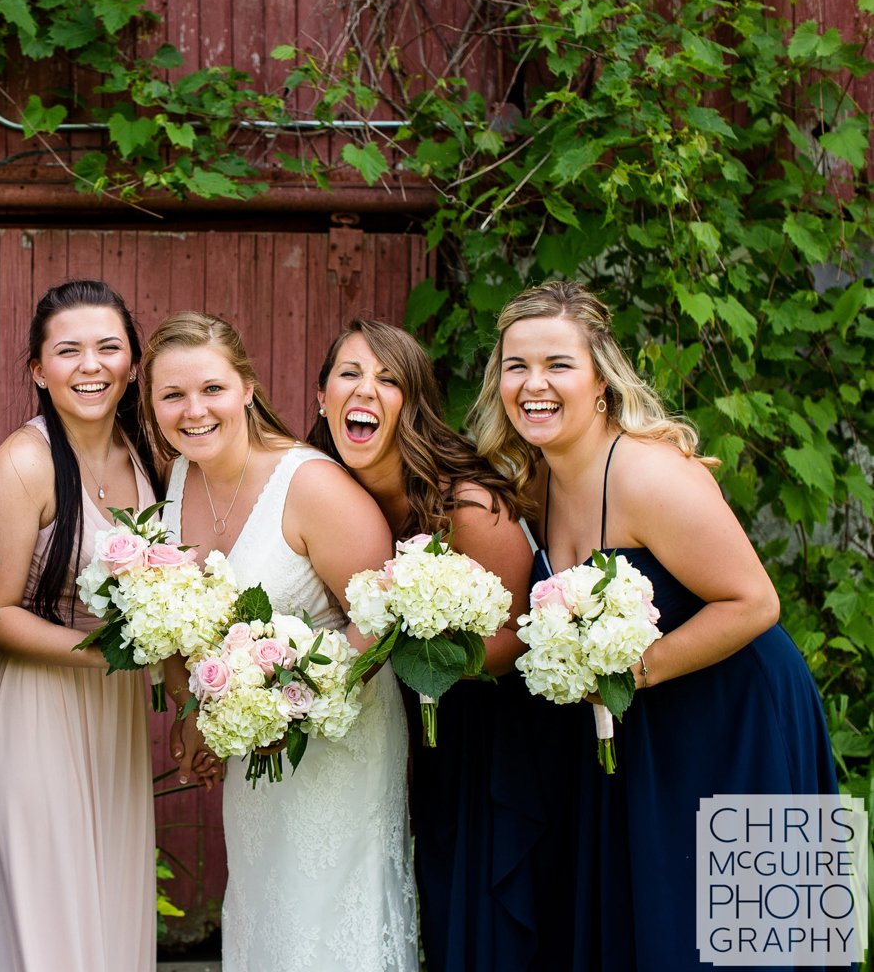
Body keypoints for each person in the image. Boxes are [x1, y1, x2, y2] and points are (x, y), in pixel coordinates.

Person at [469, 280, 841, 970]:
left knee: (750, 943)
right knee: (661, 930)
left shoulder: (648, 475)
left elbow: (755, 602)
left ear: (601, 381)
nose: (534, 384)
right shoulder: (539, 482)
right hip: (648, 732)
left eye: (558, 365)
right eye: (516, 367)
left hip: (740, 721)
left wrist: (628, 672)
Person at [146, 312, 418, 972]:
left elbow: (380, 624)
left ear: (246, 387)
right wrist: (194, 708)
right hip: (253, 750)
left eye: (211, 389)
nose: (193, 410)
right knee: (268, 916)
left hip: (337, 745)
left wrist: (289, 705)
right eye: (171, 396)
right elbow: (181, 618)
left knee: (323, 921)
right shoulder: (181, 476)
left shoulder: (313, 486)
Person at [308, 318, 535, 971]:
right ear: (322, 396)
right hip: (407, 733)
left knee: (484, 917)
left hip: (491, 735)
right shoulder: (327, 493)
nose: (365, 390)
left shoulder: (467, 504)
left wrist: (417, 635)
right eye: (349, 374)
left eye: (388, 379)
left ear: (415, 403)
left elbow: (516, 641)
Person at [0, 280, 161, 972]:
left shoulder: (147, 455)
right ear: (38, 371)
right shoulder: (24, 462)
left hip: (114, 718)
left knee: (108, 925)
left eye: (108, 348)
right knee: (48, 935)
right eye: (68, 350)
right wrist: (106, 651)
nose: (91, 366)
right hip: (39, 716)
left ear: (133, 364)